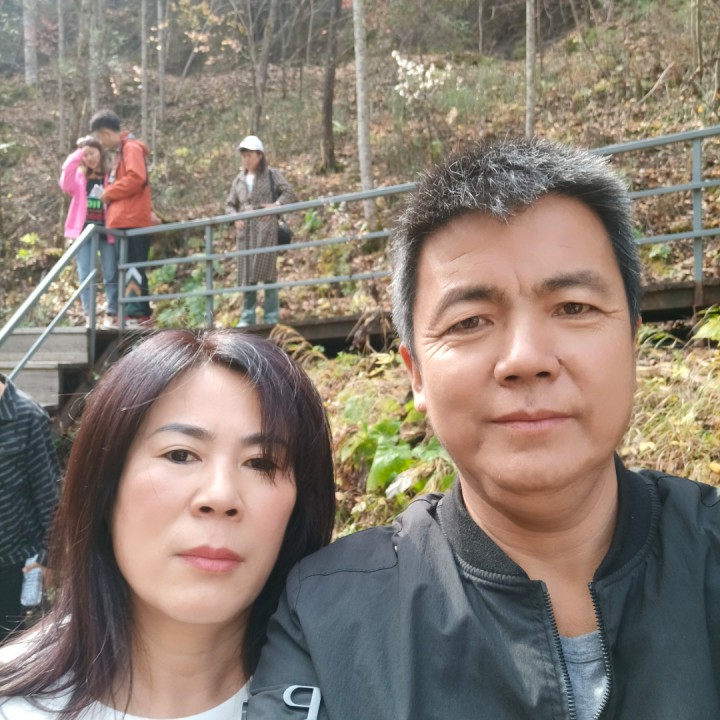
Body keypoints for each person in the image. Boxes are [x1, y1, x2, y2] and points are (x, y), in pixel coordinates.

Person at [248, 138, 720, 719]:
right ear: (416, 374)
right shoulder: (328, 617)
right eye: (470, 321)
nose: (526, 358)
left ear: (632, 342)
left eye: (574, 307)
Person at [0, 330, 335, 719]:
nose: (221, 496)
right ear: (105, 484)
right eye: (180, 455)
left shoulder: (349, 697)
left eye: (261, 462)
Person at [0, 374, 60, 643]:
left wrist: (48, 556)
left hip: (13, 563)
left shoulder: (27, 415)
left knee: (9, 647)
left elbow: (49, 493)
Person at [90, 109, 155, 328]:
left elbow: (137, 177)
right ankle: (136, 313)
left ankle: (137, 315)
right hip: (124, 220)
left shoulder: (131, 148)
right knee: (128, 266)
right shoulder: (122, 151)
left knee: (132, 267)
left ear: (106, 132)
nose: (101, 142)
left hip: (132, 220)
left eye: (100, 137)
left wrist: (109, 192)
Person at [225, 136, 297, 327]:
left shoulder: (271, 174)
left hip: (266, 230)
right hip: (245, 233)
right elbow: (230, 204)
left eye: (250, 155)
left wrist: (276, 206)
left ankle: (271, 316)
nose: (246, 159)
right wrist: (235, 217)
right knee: (247, 274)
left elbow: (289, 192)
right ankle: (247, 317)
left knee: (268, 273)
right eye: (244, 156)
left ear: (259, 155)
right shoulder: (238, 180)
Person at [59, 136, 119, 329]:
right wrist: (78, 153)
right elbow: (64, 181)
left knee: (111, 272)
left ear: (100, 153)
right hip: (84, 232)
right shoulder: (79, 177)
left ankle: (112, 313)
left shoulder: (110, 175)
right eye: (86, 155)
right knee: (85, 274)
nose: (89, 158)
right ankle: (89, 315)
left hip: (106, 230)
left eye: (92, 153)